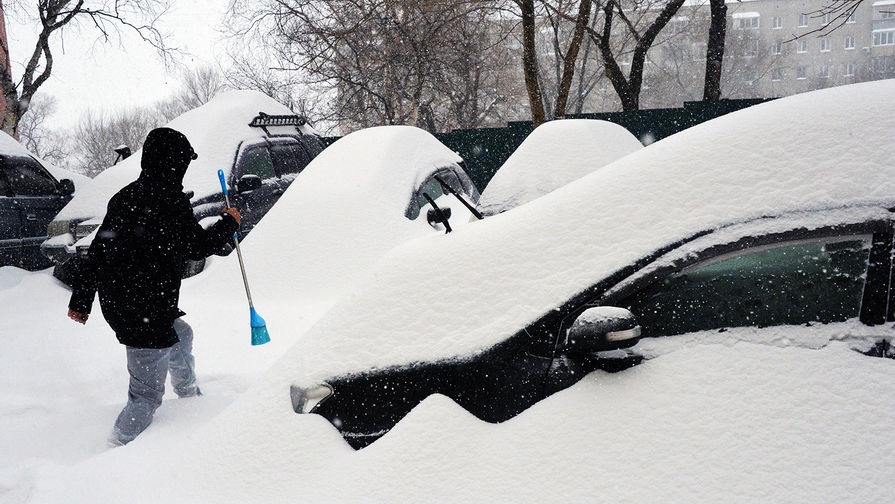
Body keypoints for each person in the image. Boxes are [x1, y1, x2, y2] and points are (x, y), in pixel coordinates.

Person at [67, 127, 241, 446]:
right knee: (146, 396)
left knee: (182, 334)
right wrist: (229, 223)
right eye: (182, 162)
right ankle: (114, 447)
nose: (184, 169)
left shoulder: (127, 196)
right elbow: (197, 246)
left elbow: (97, 251)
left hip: (126, 301)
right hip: (144, 310)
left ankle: (190, 399)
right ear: (172, 163)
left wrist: (81, 301)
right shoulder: (168, 200)